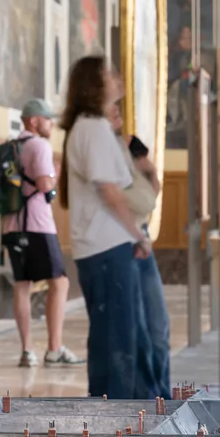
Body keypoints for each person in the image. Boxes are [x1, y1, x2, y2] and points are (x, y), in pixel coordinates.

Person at [57, 56, 156, 399]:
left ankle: (127, 411)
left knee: (118, 337)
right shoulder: (93, 127)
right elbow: (110, 192)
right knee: (117, 340)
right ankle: (118, 420)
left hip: (103, 246)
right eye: (110, 73)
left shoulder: (88, 127)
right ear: (95, 85)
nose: (117, 77)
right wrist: (138, 234)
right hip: (106, 247)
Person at [1, 98, 83, 368]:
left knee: (22, 285)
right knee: (59, 283)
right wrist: (56, 178)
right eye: (47, 119)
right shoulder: (40, 146)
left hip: (11, 226)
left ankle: (27, 351)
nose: (50, 123)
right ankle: (54, 348)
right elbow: (46, 189)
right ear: (33, 121)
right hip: (37, 225)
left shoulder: (11, 146)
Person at [108, 100, 171, 399]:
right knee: (140, 333)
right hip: (119, 241)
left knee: (158, 329)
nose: (118, 117)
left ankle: (164, 396)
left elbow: (151, 177)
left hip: (139, 237)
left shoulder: (130, 145)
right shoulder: (99, 153)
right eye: (113, 110)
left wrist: (150, 174)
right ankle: (147, 399)